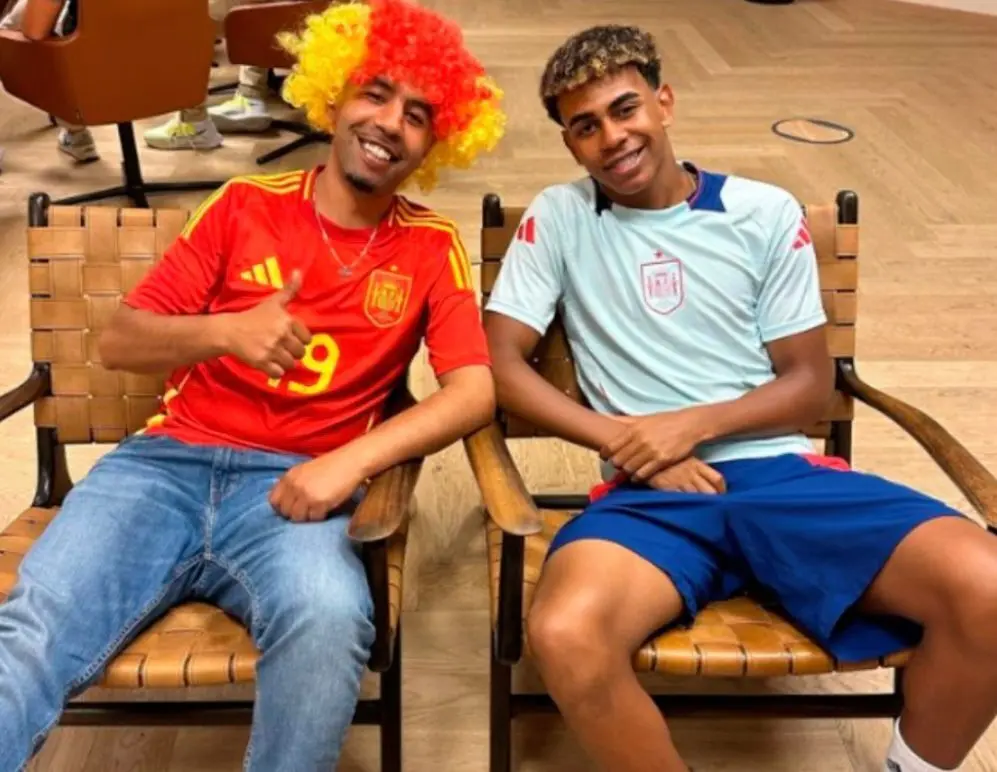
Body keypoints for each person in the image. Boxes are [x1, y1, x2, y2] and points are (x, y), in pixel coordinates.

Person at [0, 0, 505, 769]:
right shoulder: (243, 204)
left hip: (298, 494)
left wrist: (349, 462)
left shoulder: (430, 246)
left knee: (331, 619)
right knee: (34, 630)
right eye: (374, 94)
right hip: (162, 469)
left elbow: (473, 392)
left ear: (437, 141)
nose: (389, 123)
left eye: (417, 115)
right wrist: (225, 332)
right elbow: (120, 340)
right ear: (331, 97)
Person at [483, 23, 997, 772]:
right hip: (649, 493)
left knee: (988, 586)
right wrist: (629, 445)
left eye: (625, 109)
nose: (611, 137)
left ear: (663, 102)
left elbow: (808, 383)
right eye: (585, 126)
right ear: (570, 144)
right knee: (565, 634)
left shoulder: (763, 211)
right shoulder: (559, 216)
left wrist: (685, 428)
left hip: (778, 474)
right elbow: (500, 363)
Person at [0, 0, 98, 162]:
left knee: (14, 35)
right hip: (130, 82)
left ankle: (77, 135)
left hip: (78, 69)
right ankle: (76, 137)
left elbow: (34, 30)